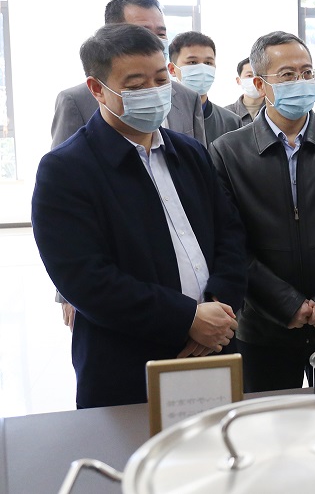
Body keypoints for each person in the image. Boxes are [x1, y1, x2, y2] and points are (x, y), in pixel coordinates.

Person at [31, 23, 246, 408]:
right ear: (97, 89)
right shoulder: (66, 170)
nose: (154, 91)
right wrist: (187, 319)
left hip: (214, 346)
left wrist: (218, 308)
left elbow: (230, 234)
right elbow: (85, 279)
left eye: (161, 79)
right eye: (135, 85)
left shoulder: (190, 153)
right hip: (127, 362)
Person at [210, 31, 315, 392]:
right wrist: (287, 305)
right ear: (260, 84)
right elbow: (230, 243)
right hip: (265, 328)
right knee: (269, 421)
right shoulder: (227, 152)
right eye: (287, 75)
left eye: (307, 72)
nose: (300, 82)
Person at [51, 0, 208, 331]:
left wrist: (218, 306)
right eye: (137, 86)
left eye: (160, 32)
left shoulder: (186, 114)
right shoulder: (73, 123)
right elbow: (75, 253)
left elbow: (222, 225)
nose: (154, 39)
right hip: (131, 322)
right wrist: (69, 294)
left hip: (211, 319)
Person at [51, 0, 206, 148]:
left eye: (161, 33)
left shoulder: (188, 98)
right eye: (142, 32)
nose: (154, 41)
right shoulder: (76, 101)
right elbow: (66, 158)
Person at [168, 31, 241, 143]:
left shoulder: (231, 122)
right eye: (192, 62)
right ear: (172, 69)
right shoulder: (162, 118)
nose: (202, 69)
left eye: (208, 63)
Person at [226, 57, 264, 126]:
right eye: (249, 75)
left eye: (259, 75)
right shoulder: (226, 114)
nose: (255, 80)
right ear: (238, 81)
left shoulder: (276, 112)